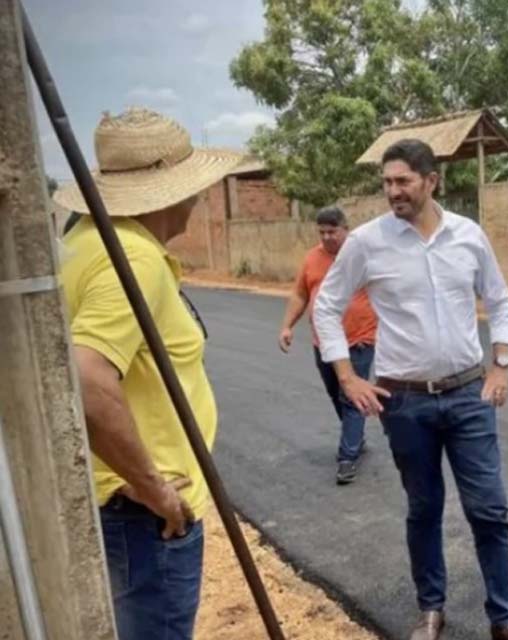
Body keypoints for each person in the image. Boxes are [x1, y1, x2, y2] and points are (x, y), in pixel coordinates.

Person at [314, 139, 508, 640]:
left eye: (403, 181)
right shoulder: (367, 242)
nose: (393, 191)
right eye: (387, 182)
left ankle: (504, 616)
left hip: (468, 394)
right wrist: (347, 376)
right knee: (424, 507)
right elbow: (327, 306)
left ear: (432, 181)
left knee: (489, 509)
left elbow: (499, 300)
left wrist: (501, 365)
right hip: (403, 402)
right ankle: (430, 608)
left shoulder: (468, 236)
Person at [54, 107, 242, 640]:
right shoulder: (132, 259)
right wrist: (154, 486)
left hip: (119, 507)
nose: (199, 198)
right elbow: (88, 379)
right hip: (146, 516)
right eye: (195, 188)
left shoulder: (86, 240)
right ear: (171, 193)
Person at [278, 206, 377, 484]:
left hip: (359, 339)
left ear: (345, 228)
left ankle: (347, 457)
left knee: (351, 397)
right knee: (336, 394)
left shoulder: (361, 255)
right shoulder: (312, 258)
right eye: (322, 232)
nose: (327, 237)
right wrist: (287, 325)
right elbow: (300, 294)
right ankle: (355, 436)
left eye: (332, 231)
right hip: (323, 342)